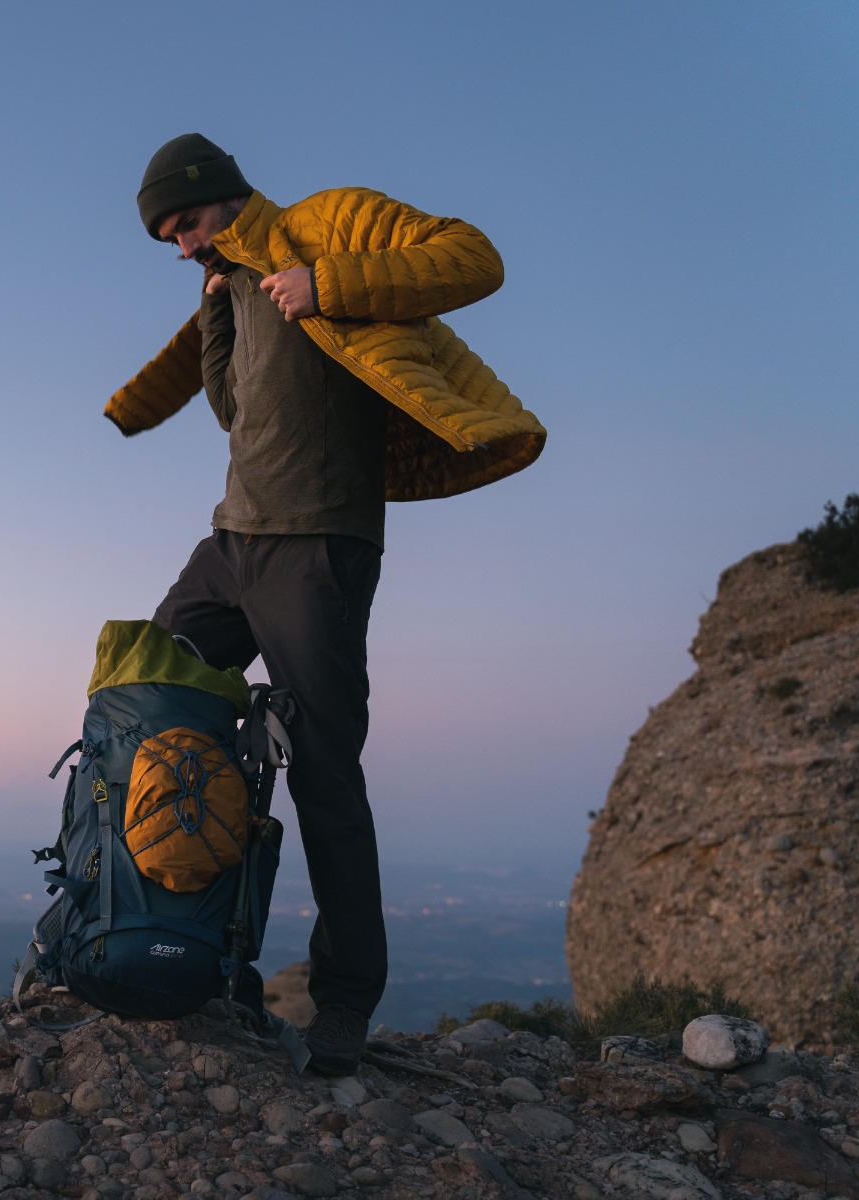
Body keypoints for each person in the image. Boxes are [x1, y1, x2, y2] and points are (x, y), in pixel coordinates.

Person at [107, 133, 546, 1075]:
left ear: (220, 196)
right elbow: (232, 410)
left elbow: (477, 257)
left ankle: (344, 1003)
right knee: (147, 706)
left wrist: (326, 286)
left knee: (324, 772)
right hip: (231, 543)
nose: (183, 246)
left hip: (320, 549)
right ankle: (171, 944)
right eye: (170, 241)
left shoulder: (327, 223)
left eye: (187, 225)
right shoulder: (225, 279)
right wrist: (219, 313)